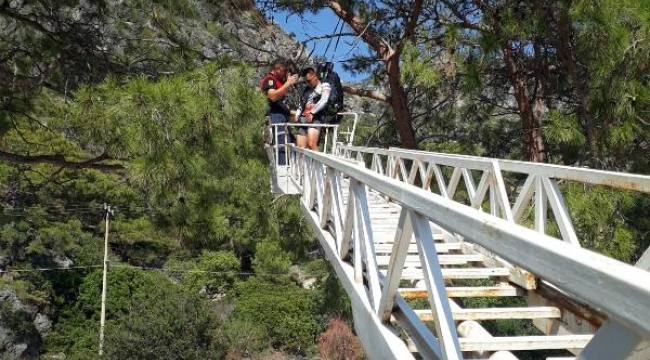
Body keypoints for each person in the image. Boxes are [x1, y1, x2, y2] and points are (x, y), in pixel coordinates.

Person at [260, 58, 298, 165]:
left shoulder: (279, 82)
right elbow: (272, 97)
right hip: (275, 117)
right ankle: (283, 171)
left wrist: (297, 113)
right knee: (282, 145)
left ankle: (291, 168)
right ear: (276, 69)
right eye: (283, 71)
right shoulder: (270, 80)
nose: (285, 73)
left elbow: (281, 106)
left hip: (282, 117)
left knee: (291, 143)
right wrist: (287, 84)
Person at [294, 66, 331, 151]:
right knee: (300, 147)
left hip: (316, 117)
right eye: (306, 81)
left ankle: (319, 163)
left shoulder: (324, 85)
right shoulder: (307, 89)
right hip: (304, 117)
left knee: (311, 144)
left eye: (309, 81)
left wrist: (312, 112)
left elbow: (324, 100)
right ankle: (301, 164)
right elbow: (302, 103)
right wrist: (297, 114)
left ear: (314, 76)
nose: (308, 83)